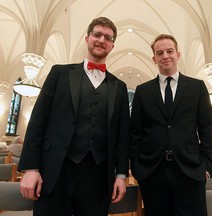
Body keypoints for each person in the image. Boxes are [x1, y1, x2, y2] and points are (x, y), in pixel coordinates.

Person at [18, 17, 130, 216]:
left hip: (98, 175)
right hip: (55, 170)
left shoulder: (119, 88)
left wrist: (121, 175)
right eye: (97, 34)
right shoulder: (59, 74)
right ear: (87, 38)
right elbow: (38, 120)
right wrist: (30, 168)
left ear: (112, 45)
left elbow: (122, 136)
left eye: (107, 37)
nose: (101, 40)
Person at [130, 34, 212, 216]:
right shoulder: (143, 91)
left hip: (190, 170)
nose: (165, 56)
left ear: (178, 54)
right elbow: (135, 133)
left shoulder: (197, 87)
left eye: (169, 51)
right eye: (160, 53)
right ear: (154, 59)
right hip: (153, 172)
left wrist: (207, 168)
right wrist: (138, 168)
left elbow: (207, 131)